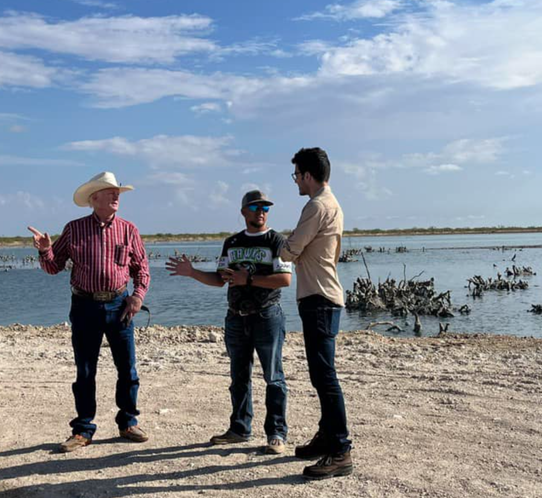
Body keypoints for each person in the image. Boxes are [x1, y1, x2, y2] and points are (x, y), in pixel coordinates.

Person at [27, 171, 150, 452]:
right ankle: (83, 429)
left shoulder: (129, 229)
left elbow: (141, 269)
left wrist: (137, 297)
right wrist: (45, 251)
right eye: (110, 192)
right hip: (84, 306)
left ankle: (128, 422)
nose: (116, 196)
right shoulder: (73, 229)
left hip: (120, 306)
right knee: (85, 371)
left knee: (127, 368)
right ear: (94, 199)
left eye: (117, 192)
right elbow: (52, 267)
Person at [166, 190, 291, 454]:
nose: (261, 211)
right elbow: (220, 279)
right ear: (244, 211)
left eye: (265, 208)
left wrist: (248, 279)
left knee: (273, 376)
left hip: (267, 315)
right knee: (239, 377)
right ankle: (239, 428)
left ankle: (277, 433)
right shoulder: (232, 243)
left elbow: (284, 279)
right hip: (236, 317)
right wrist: (192, 273)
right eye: (256, 207)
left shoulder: (277, 241)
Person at [281, 147, 353, 480]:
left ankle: (340, 449)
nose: (296, 180)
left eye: (297, 175)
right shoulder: (333, 203)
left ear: (308, 175)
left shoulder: (316, 206)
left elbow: (291, 249)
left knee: (324, 376)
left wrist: (280, 245)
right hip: (325, 295)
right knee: (321, 373)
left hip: (319, 297)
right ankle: (327, 437)